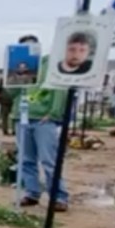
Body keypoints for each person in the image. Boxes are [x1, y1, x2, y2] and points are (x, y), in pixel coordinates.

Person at [14, 36, 71, 212]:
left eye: (31, 47)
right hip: (22, 117)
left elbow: (59, 88)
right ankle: (32, 193)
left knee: (48, 160)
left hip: (43, 119)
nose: (28, 50)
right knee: (25, 159)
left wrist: (54, 113)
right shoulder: (18, 66)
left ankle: (59, 196)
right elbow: (12, 94)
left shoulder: (50, 65)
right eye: (24, 47)